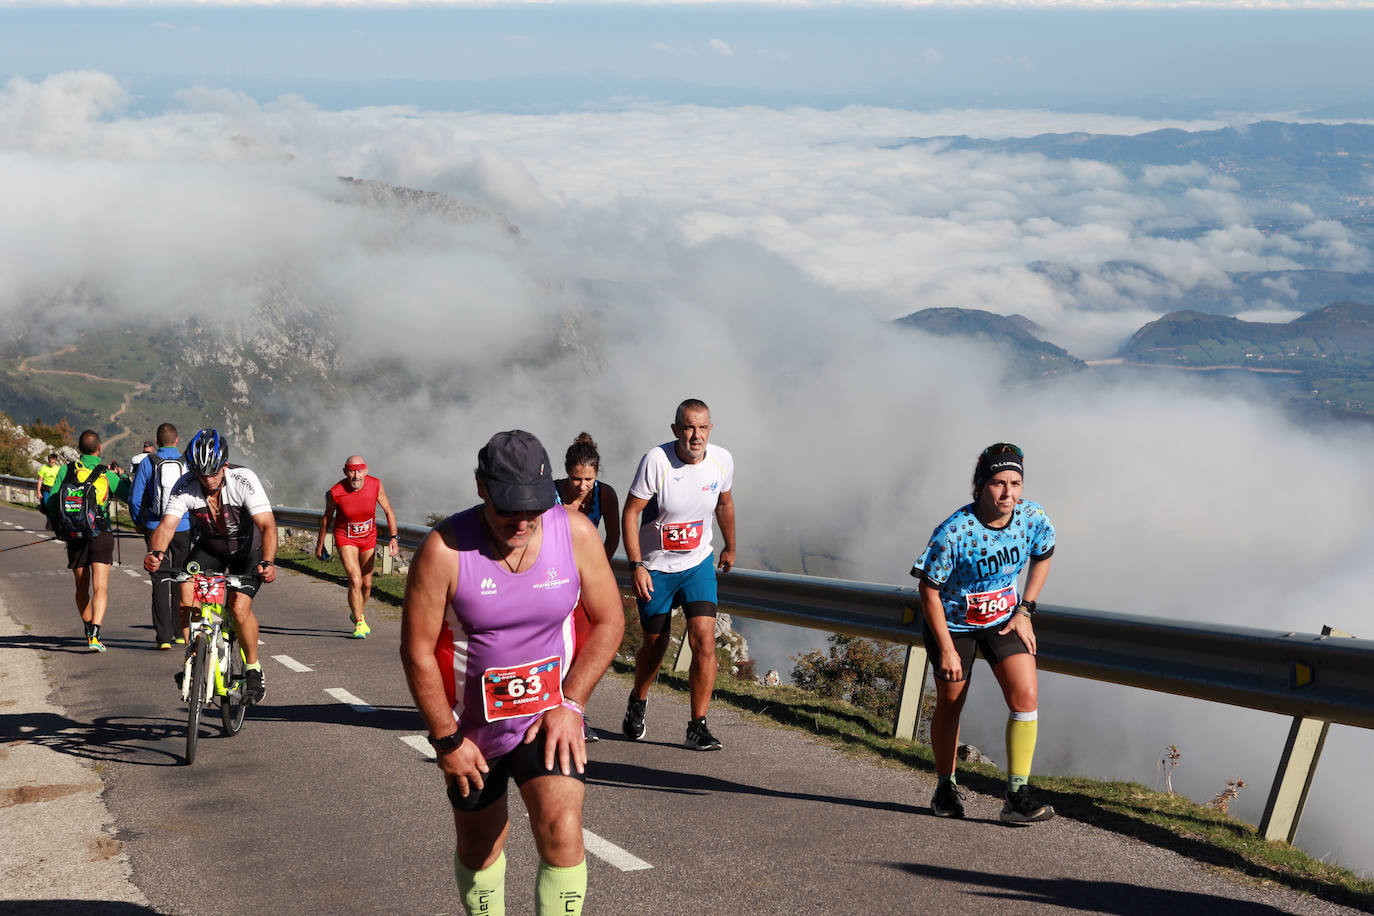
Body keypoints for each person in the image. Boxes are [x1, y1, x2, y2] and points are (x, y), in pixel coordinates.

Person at [400, 430, 623, 916]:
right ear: (481, 487)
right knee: (481, 848)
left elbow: (610, 622)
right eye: (509, 509)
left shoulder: (575, 534)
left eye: (534, 508)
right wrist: (446, 740)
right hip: (473, 733)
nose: (522, 522)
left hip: (548, 719)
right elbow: (416, 651)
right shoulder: (444, 550)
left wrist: (571, 703)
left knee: (562, 829)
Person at [911, 443, 1057, 825]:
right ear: (980, 486)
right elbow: (928, 590)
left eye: (1015, 483)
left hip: (1003, 620)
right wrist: (945, 648)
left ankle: (1016, 795)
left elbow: (1044, 553)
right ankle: (945, 784)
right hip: (954, 626)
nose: (1008, 493)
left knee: (1025, 695)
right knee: (951, 703)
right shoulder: (954, 532)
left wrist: (1026, 608)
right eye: (998, 483)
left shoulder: (1032, 517)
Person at [621, 398, 736, 751]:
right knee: (654, 647)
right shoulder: (656, 461)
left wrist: (730, 546)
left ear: (710, 429)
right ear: (675, 430)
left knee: (704, 640)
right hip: (656, 569)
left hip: (697, 563)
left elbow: (725, 504)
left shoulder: (722, 460)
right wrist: (637, 565)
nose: (695, 435)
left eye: (702, 427)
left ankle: (697, 725)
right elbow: (631, 513)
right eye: (688, 427)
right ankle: (638, 699)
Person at [143, 429, 276, 705]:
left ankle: (253, 669)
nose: (207, 479)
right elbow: (167, 526)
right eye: (201, 474)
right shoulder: (185, 484)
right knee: (185, 592)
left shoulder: (244, 479)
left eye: (213, 472)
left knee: (239, 607)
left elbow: (267, 525)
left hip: (246, 552)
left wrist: (268, 561)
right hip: (210, 549)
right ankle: (193, 659)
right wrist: (156, 553)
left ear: (224, 465)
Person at [554, 433, 621, 741]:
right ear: (567, 473)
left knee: (582, 647)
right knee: (556, 646)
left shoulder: (605, 494)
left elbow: (612, 536)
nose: (582, 486)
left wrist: (598, 568)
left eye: (589, 479)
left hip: (584, 580)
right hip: (552, 579)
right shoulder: (551, 492)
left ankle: (574, 712)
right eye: (576, 479)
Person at [44, 431, 130, 652]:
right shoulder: (105, 473)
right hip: (100, 533)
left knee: (81, 588)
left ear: (79, 449)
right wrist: (121, 476)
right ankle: (95, 634)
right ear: (99, 448)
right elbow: (129, 496)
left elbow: (53, 501)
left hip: (75, 536)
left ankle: (87, 627)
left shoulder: (66, 469)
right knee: (100, 587)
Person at [315, 455, 400, 639]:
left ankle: (357, 612)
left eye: (359, 470)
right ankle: (360, 622)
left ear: (366, 471)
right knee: (355, 579)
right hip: (346, 537)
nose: (355, 475)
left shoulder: (376, 485)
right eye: (352, 471)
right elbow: (326, 518)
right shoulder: (336, 492)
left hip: (368, 538)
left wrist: (394, 537)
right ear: (345, 472)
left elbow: (388, 510)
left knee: (367, 584)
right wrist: (320, 544)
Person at [129, 423, 190, 649]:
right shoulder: (186, 463)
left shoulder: (148, 462)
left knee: (160, 579)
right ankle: (181, 631)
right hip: (181, 527)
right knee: (182, 577)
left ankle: (164, 638)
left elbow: (135, 499)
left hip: (155, 527)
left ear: (156, 441)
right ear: (177, 440)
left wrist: (139, 522)